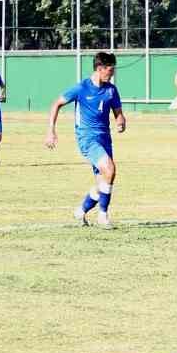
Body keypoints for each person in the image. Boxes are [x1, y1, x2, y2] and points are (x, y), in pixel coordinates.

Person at [45, 51, 127, 228]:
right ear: (99, 68)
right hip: (87, 138)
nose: (112, 74)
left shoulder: (111, 90)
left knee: (104, 182)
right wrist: (51, 130)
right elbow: (56, 104)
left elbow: (118, 114)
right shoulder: (81, 88)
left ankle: (81, 212)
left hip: (105, 138)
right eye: (110, 71)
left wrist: (121, 121)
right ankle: (103, 217)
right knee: (110, 169)